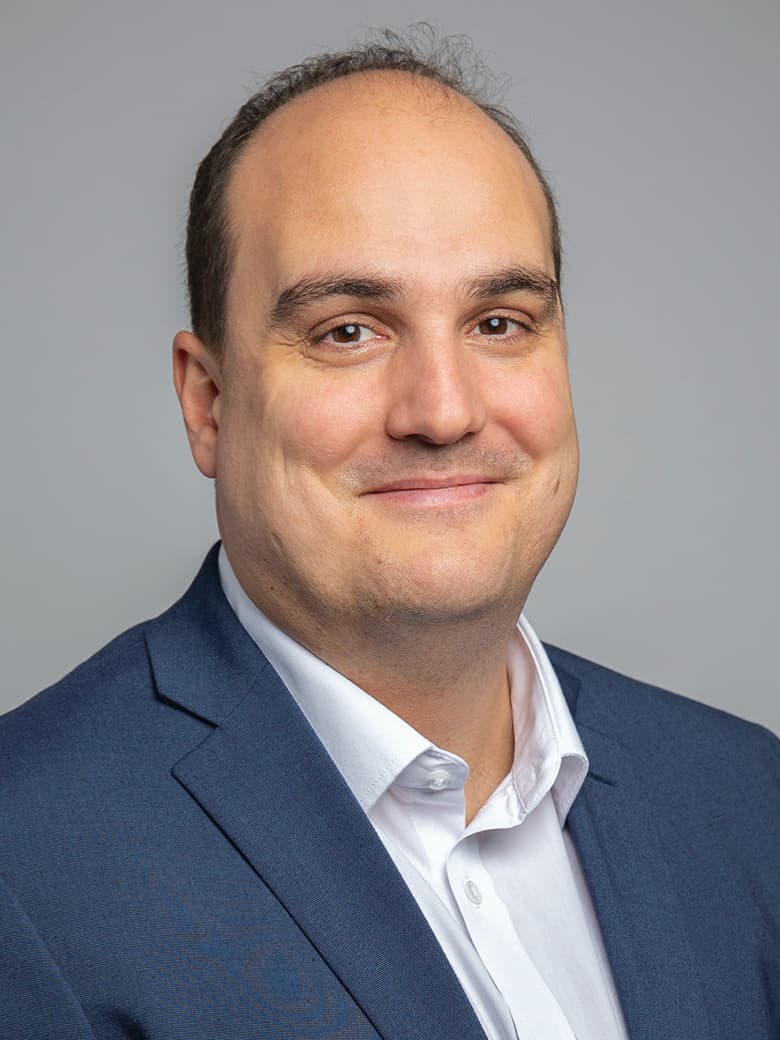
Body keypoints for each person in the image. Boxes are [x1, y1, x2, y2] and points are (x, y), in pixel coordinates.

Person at [1, 32, 777, 1040]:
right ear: (208, 402)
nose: (443, 410)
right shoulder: (27, 856)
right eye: (349, 330)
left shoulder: (745, 796)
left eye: (499, 322)